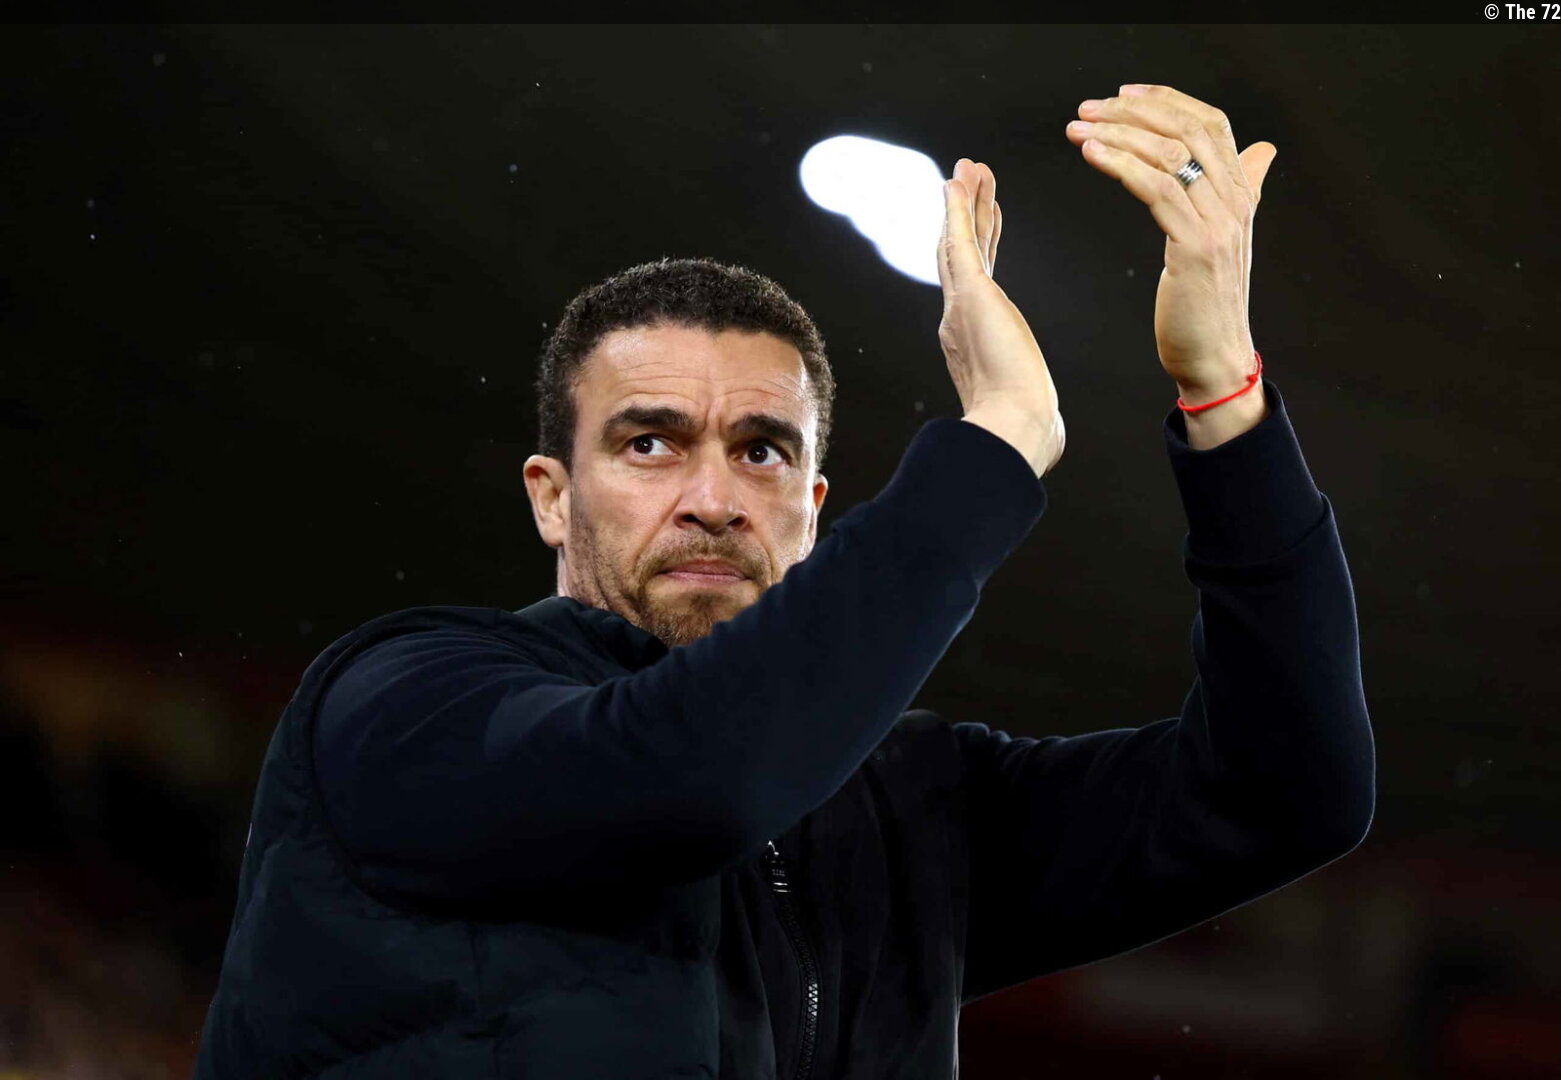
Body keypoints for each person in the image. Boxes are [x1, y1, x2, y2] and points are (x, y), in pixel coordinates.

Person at [194, 85, 1375, 1078]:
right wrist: (1000, 438)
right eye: (649, 443)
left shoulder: (912, 805)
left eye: (761, 451)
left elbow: (1288, 794)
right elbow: (689, 775)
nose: (713, 496)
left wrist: (1223, 394)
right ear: (552, 496)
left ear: (815, 507)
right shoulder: (401, 703)